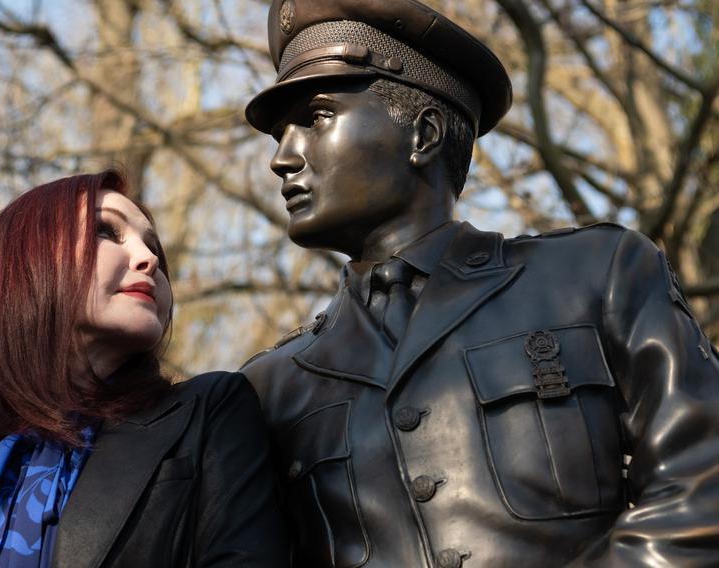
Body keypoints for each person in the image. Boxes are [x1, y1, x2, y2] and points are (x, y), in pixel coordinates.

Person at [239, 0, 719, 566]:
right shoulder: (269, 388)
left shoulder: (597, 275)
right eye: (278, 134)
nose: (283, 158)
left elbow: (702, 488)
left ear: (424, 133)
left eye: (315, 117)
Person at [0, 170, 287, 567]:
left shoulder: (210, 412)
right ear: (25, 261)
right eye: (107, 231)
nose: (148, 259)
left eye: (154, 246)